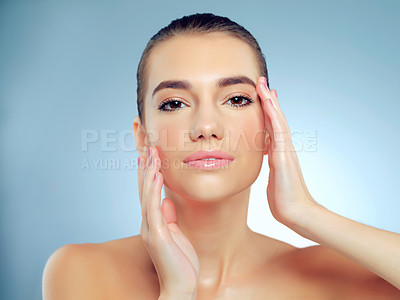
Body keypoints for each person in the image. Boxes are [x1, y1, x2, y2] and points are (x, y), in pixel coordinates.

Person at [42, 13, 400, 299]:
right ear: (142, 136)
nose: (206, 127)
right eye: (175, 103)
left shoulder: (342, 277)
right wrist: (178, 293)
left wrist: (305, 213)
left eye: (236, 99)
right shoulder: (80, 271)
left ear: (269, 125)